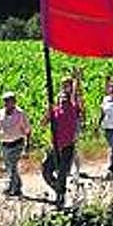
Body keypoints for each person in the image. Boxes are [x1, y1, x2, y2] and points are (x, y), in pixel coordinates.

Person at [43, 73, 82, 208]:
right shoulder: (54, 111)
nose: (63, 98)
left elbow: (75, 94)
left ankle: (61, 196)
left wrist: (77, 80)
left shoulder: (72, 108)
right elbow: (43, 123)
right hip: (54, 147)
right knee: (46, 171)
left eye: (65, 97)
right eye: (61, 97)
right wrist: (48, 112)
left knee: (62, 173)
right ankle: (59, 189)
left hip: (67, 147)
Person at [0, 92, 31, 197]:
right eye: (5, 101)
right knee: (9, 167)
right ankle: (18, 187)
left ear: (14, 102)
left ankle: (10, 189)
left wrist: (27, 145)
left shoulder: (21, 114)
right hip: (4, 144)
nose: (6, 103)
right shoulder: (0, 114)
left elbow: (27, 130)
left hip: (17, 143)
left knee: (12, 165)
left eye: (8, 101)